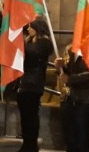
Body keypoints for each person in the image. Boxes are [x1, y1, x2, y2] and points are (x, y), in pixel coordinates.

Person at [16, 16, 54, 152]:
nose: (28, 28)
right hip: (24, 82)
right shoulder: (30, 41)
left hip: (34, 83)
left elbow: (32, 54)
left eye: (31, 26)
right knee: (25, 116)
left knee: (31, 116)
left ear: (38, 28)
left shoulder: (44, 43)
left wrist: (18, 41)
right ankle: (27, 143)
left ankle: (31, 145)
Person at [55, 45, 89, 152]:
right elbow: (67, 72)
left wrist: (71, 79)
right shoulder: (72, 49)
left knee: (82, 136)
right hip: (70, 98)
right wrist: (60, 67)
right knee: (69, 135)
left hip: (85, 99)